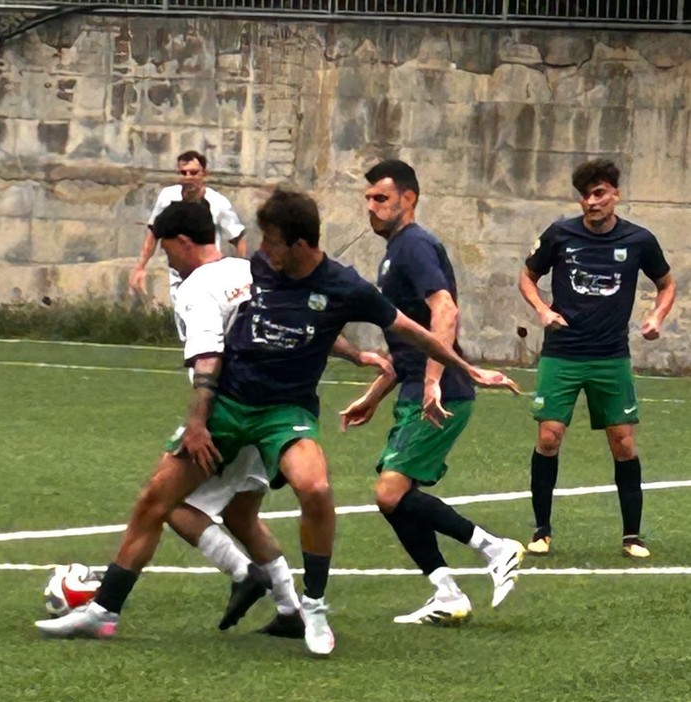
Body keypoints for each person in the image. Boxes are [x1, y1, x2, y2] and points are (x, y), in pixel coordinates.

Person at [37, 188, 519, 656]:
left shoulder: (345, 286)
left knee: (315, 487)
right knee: (155, 499)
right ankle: (104, 611)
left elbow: (412, 330)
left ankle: (314, 607)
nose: (261, 251)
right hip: (229, 405)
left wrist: (466, 368)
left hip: (285, 413)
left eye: (271, 241)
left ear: (300, 244)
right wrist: (199, 422)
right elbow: (233, 344)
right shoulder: (262, 268)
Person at [340, 160, 525, 626]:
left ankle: (495, 548)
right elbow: (409, 340)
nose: (371, 207)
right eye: (368, 199)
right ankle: (447, 593)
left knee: (390, 492)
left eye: (381, 198)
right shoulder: (395, 251)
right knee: (396, 498)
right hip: (417, 389)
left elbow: (445, 311)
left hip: (442, 393)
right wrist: (374, 395)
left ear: (408, 199)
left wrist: (432, 381)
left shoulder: (415, 245)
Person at [519, 158, 675, 558]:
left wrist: (656, 316)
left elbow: (666, 284)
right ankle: (541, 531)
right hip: (562, 354)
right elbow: (527, 277)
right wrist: (542, 310)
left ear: (615, 195)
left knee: (623, 444)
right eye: (585, 196)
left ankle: (632, 536)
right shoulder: (559, 234)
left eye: (599, 193)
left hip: (611, 357)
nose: (592, 202)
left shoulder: (639, 240)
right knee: (549, 438)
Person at [129, 150, 247, 306]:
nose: (188, 177)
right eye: (183, 173)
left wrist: (240, 275)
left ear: (204, 173)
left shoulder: (218, 202)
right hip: (178, 272)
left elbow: (238, 238)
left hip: (208, 273)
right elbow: (153, 233)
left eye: (193, 172)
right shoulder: (167, 197)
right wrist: (140, 266)